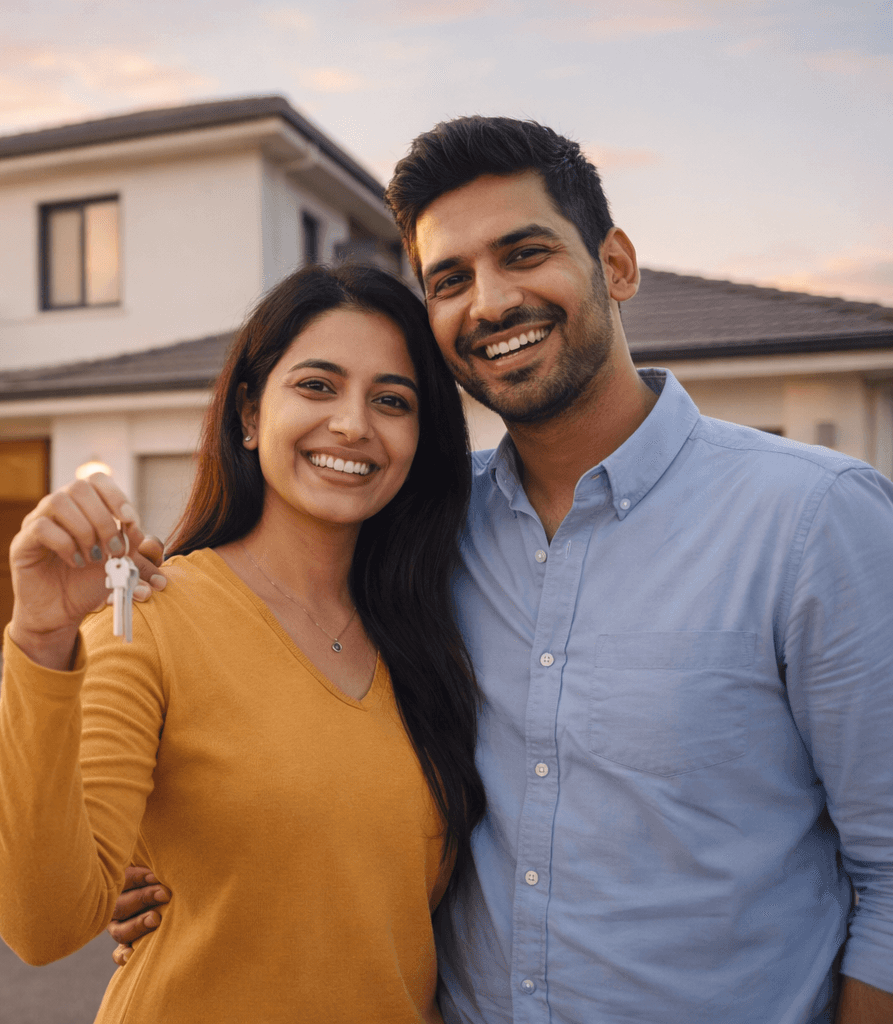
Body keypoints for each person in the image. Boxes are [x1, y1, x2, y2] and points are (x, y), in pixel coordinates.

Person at [108, 117, 893, 1024]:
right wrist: (173, 859)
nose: (489, 302)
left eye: (524, 253)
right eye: (450, 280)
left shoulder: (814, 518)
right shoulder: (419, 528)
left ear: (618, 265)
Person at [0, 263, 486, 1022]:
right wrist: (43, 641)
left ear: (420, 439)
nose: (353, 424)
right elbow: (43, 925)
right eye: (317, 386)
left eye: (391, 400)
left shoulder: (435, 636)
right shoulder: (152, 619)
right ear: (249, 413)